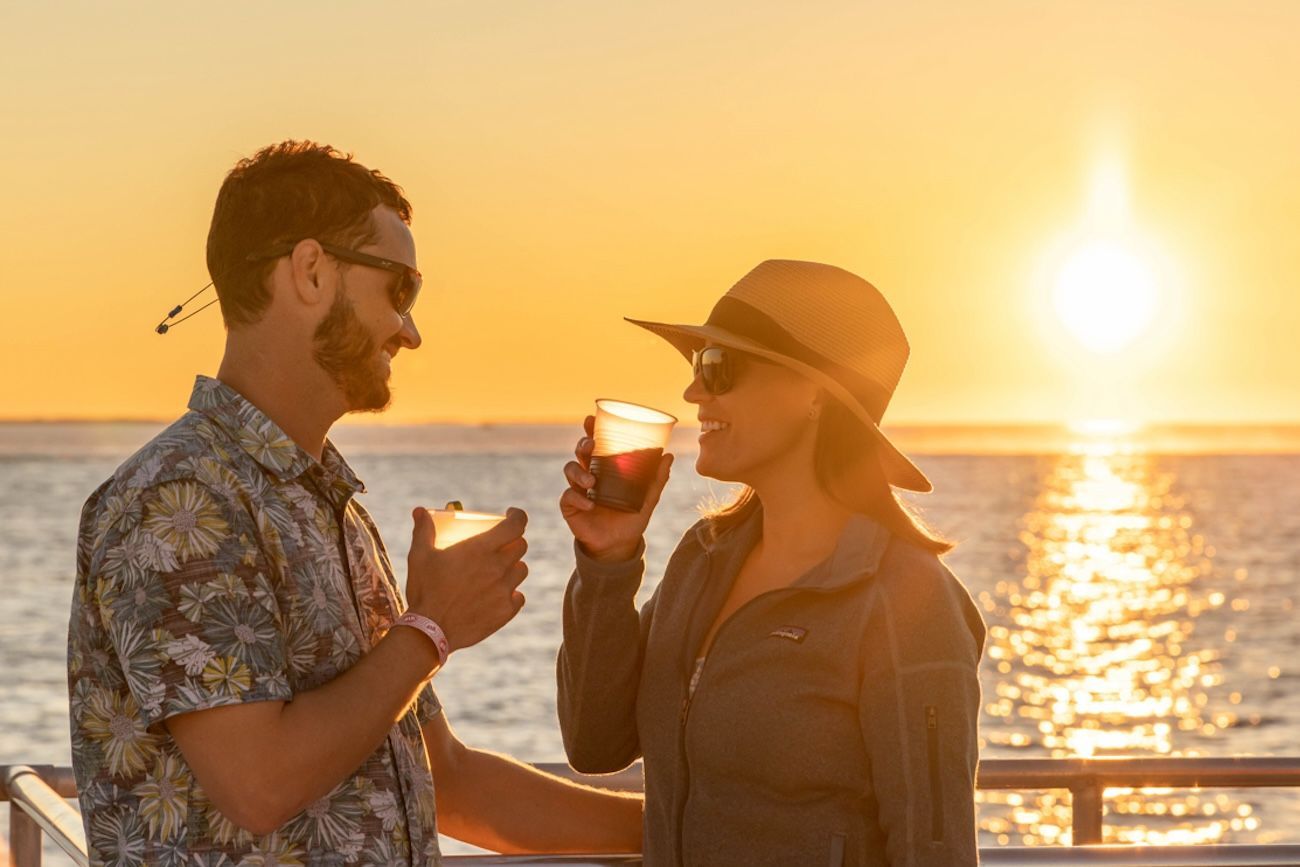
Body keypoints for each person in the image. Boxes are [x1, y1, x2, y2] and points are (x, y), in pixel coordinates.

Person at [68, 140, 642, 865]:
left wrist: (690, 824)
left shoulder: (326, 505)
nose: (411, 330)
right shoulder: (178, 497)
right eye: (400, 288)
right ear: (310, 270)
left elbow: (449, 781)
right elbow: (257, 782)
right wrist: (431, 629)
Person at [556, 260, 986, 865]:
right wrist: (608, 561)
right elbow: (593, 744)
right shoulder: (701, 563)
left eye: (717, 367)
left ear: (813, 393)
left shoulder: (907, 599)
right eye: (699, 365)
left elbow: (935, 851)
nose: (693, 392)